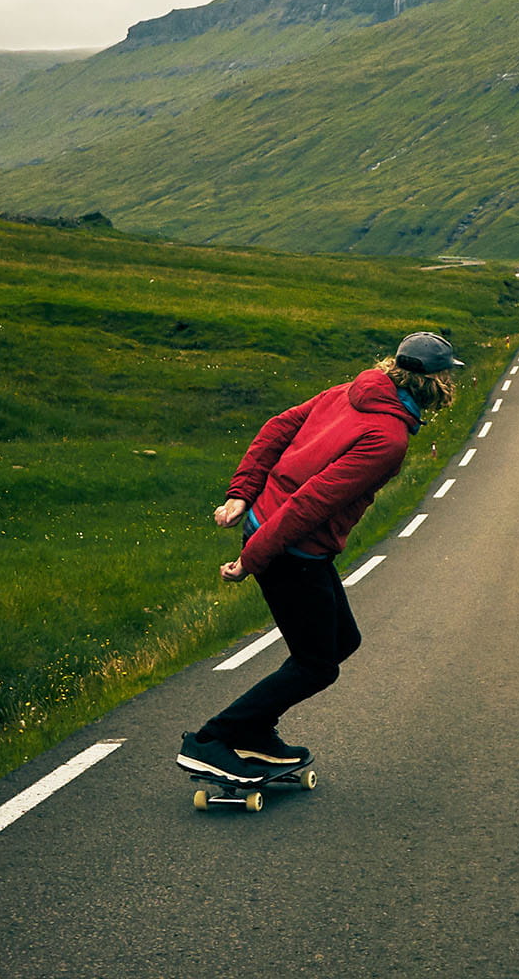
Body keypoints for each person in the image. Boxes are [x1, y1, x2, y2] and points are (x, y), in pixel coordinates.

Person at [177, 331, 464, 782]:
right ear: (438, 384)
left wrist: (241, 497)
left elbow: (277, 427)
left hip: (280, 537)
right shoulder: (388, 437)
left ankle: (254, 731)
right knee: (316, 664)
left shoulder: (353, 391)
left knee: (342, 641)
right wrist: (252, 557)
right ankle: (214, 740)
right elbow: (311, 503)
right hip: (291, 549)